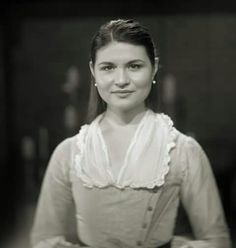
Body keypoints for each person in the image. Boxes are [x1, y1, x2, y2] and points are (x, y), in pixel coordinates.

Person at [30, 19, 231, 248]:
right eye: (108, 67)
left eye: (134, 66)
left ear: (154, 68)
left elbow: (217, 241)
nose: (122, 80)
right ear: (93, 71)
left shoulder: (183, 151)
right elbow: (43, 240)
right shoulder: (69, 153)